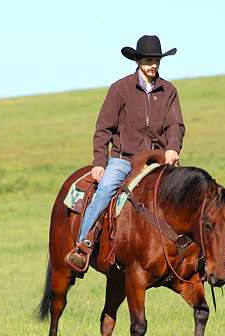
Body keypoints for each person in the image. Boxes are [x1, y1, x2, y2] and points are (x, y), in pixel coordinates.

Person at [67, 35, 185, 270]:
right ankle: (83, 245)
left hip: (157, 159)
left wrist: (173, 147)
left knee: (186, 194)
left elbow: (176, 125)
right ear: (138, 61)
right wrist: (100, 162)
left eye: (157, 60)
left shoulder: (169, 90)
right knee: (106, 189)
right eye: (149, 60)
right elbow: (104, 128)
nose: (154, 65)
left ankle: (192, 256)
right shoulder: (120, 89)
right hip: (124, 159)